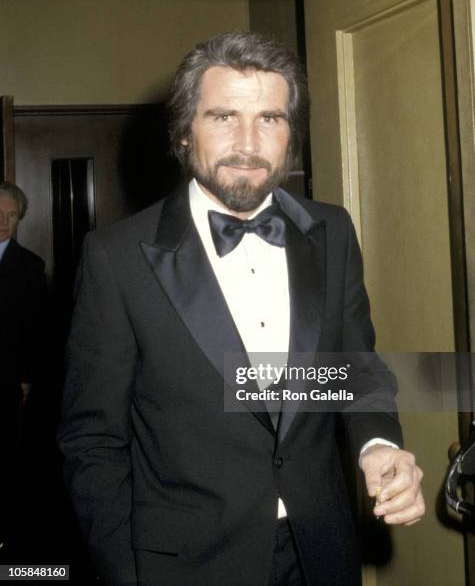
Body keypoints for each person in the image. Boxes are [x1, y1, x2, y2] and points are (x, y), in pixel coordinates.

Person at [58, 32, 424, 586]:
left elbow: (354, 369)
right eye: (224, 117)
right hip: (183, 566)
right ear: (185, 132)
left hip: (321, 552)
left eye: (271, 119)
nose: (249, 143)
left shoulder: (334, 232)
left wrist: (378, 445)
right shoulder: (115, 258)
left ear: (290, 137)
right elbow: (93, 440)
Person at [0, 181, 47, 551]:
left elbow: (36, 330)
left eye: (11, 215)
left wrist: (27, 379)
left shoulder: (30, 266)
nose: (3, 221)